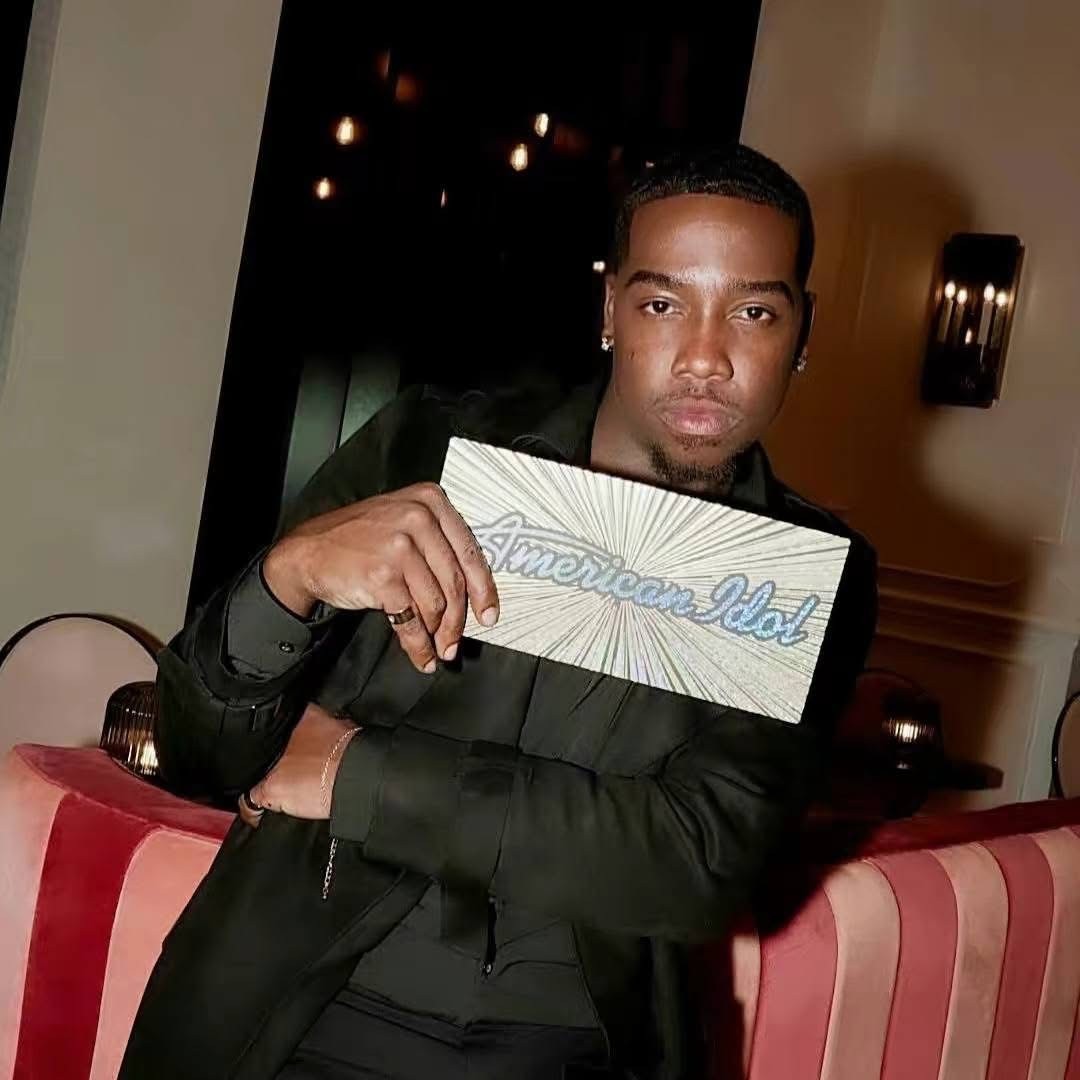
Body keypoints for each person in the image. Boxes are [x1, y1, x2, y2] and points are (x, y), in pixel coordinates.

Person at [121, 144, 877, 1080]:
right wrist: (292, 573)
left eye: (754, 311)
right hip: (296, 1019)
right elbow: (200, 755)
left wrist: (354, 773)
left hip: (572, 1049)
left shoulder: (805, 576)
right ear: (610, 310)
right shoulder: (427, 446)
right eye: (662, 304)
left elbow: (695, 863)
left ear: (802, 333)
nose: (704, 358)